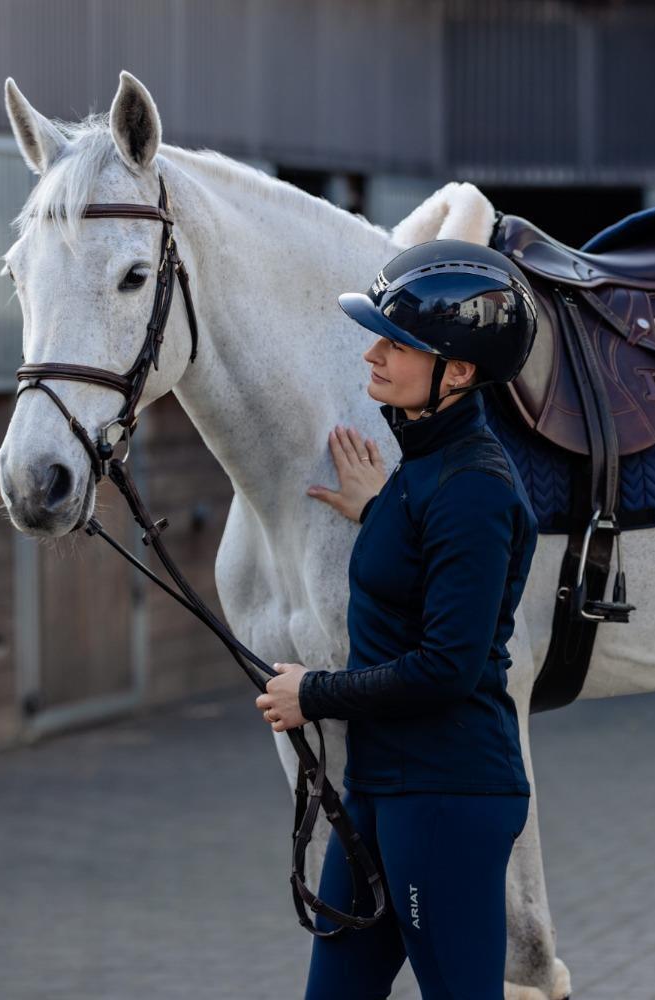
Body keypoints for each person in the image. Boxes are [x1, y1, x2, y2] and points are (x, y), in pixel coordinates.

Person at [254, 239, 540, 999]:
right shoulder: (423, 473)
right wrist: (381, 511)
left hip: (445, 799)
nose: (374, 353)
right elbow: (428, 570)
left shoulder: (474, 491)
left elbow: (448, 665)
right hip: (381, 790)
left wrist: (312, 694)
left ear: (460, 371)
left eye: (399, 341)